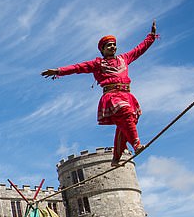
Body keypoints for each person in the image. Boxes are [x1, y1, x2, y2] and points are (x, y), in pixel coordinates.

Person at [42, 23, 158, 167]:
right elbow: (78, 68)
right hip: (112, 96)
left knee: (125, 125)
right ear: (102, 49)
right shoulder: (98, 64)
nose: (112, 47)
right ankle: (137, 145)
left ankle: (116, 158)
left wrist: (151, 37)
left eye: (114, 45)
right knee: (126, 113)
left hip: (126, 94)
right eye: (108, 45)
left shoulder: (124, 58)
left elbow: (139, 50)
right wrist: (58, 71)